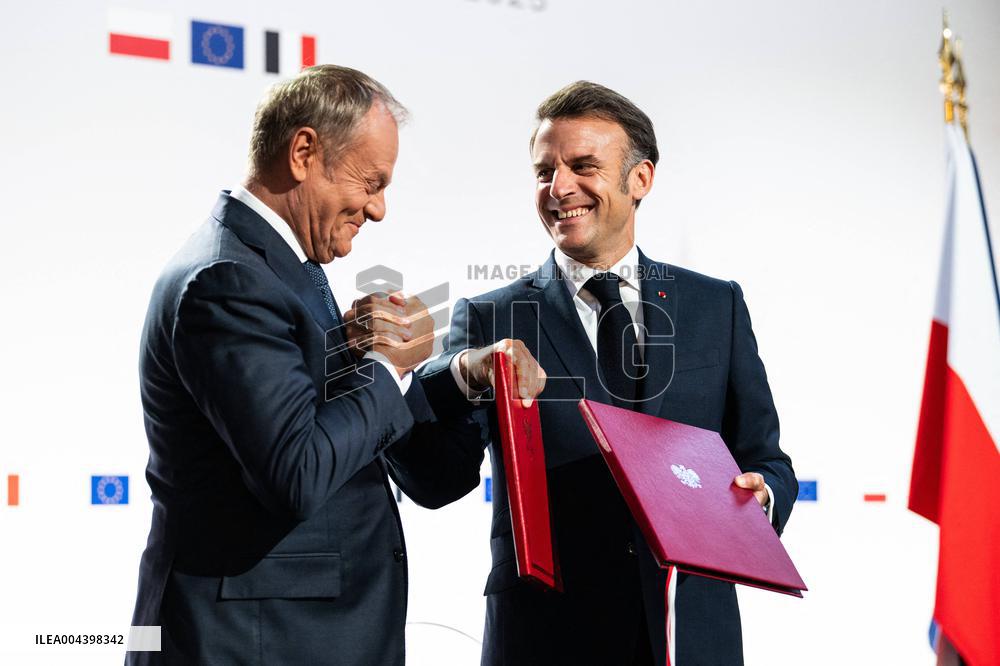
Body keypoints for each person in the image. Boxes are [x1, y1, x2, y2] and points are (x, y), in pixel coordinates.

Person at [418, 81, 798, 665]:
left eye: (583, 166)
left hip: (690, 635)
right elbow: (438, 478)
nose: (559, 188)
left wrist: (761, 496)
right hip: (548, 639)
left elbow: (765, 458)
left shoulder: (715, 306)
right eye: (545, 171)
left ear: (640, 179)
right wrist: (442, 375)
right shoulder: (491, 317)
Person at [128, 65, 486, 665]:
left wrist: (453, 377)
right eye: (371, 181)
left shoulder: (279, 268)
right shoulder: (230, 279)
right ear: (303, 153)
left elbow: (347, 431)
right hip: (254, 642)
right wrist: (386, 362)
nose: (377, 209)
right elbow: (297, 471)